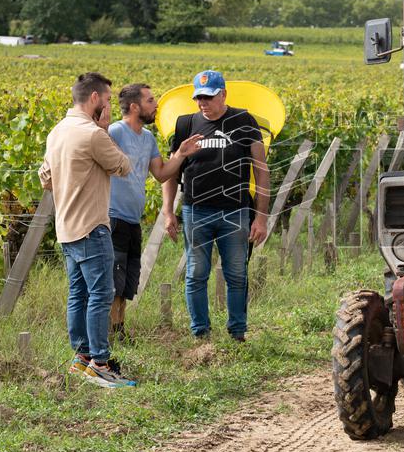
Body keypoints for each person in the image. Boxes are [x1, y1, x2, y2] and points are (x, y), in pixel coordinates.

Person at [39, 72, 136, 388]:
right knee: (101, 293)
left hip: (66, 226)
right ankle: (99, 362)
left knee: (77, 293)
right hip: (92, 226)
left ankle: (80, 358)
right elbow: (123, 166)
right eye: (107, 100)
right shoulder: (93, 134)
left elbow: (46, 178)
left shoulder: (57, 132)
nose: (108, 106)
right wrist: (105, 130)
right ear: (94, 99)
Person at [161, 70, 270, 342]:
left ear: (223, 94)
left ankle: (237, 333)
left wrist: (261, 217)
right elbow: (172, 171)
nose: (202, 103)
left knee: (236, 274)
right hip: (196, 211)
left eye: (208, 97)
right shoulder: (185, 124)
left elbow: (262, 170)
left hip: (236, 211)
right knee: (196, 274)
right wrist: (167, 211)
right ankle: (201, 335)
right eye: (198, 97)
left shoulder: (244, 121)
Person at [107, 83, 202, 339]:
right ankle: (110, 335)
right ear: (135, 106)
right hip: (112, 217)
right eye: (150, 101)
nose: (156, 104)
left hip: (132, 218)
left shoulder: (147, 138)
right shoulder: (114, 131)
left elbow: (161, 174)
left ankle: (119, 330)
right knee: (113, 280)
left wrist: (181, 154)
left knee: (127, 282)